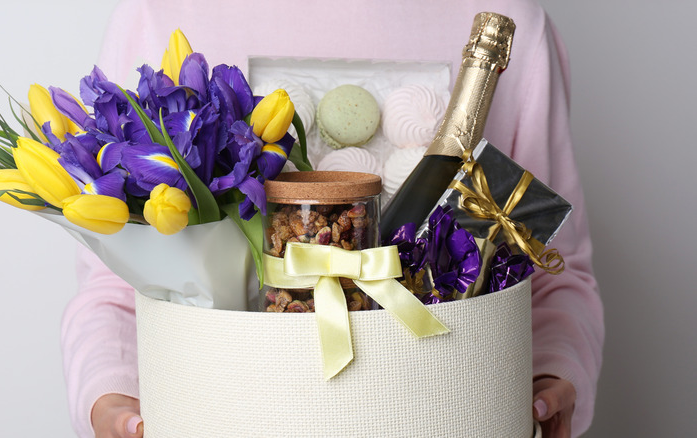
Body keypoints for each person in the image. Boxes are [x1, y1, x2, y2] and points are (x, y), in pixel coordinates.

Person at [61, 0, 604, 437]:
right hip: (234, 414)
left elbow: (556, 271)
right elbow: (114, 285)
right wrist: (111, 395)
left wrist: (556, 374)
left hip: (433, 410)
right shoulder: (159, 13)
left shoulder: (510, 16)